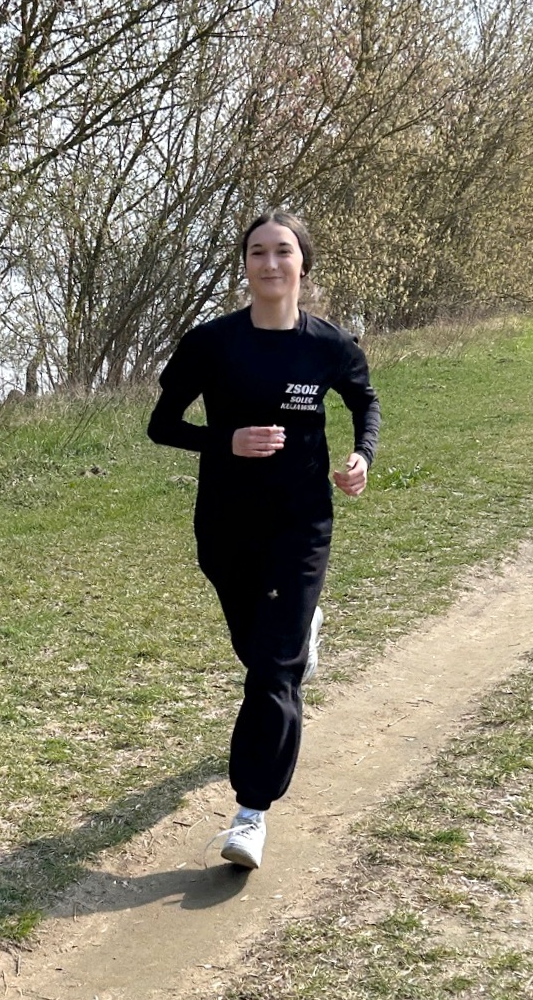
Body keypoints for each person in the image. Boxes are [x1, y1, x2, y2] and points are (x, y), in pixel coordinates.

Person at [146, 210, 380, 870]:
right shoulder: (211, 343)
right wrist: (227, 440)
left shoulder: (329, 344)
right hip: (226, 523)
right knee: (262, 652)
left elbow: (364, 402)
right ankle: (302, 637)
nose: (270, 263)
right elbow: (162, 425)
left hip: (301, 522)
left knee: (272, 670)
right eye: (257, 252)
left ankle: (251, 811)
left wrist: (361, 456)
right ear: (245, 265)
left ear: (302, 262)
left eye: (282, 251)